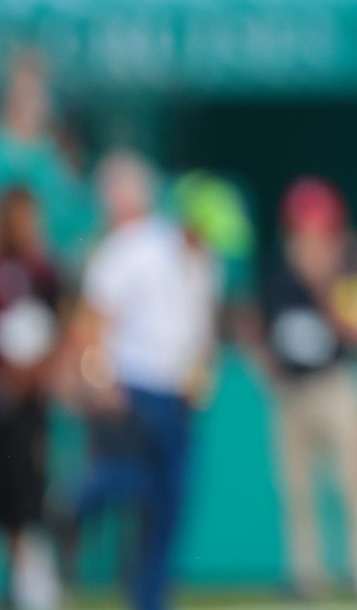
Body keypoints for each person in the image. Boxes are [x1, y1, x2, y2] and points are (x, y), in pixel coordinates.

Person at [62, 155, 242, 610]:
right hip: (130, 388)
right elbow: (93, 321)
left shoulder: (210, 266)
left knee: (170, 498)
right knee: (122, 481)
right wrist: (100, 380)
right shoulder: (134, 247)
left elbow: (200, 332)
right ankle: (65, 512)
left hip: (177, 395)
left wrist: (200, 377)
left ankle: (149, 598)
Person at [257, 176, 357, 599]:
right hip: (292, 391)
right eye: (301, 231)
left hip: (338, 384)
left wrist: (321, 282)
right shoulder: (276, 271)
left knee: (354, 482)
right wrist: (269, 369)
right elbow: (262, 326)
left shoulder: (351, 266)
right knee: (296, 488)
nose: (308, 241)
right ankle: (306, 574)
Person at [0, 185, 64, 609]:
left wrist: (32, 373)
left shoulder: (45, 273)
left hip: (27, 403)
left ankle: (32, 583)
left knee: (27, 490)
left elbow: (58, 332)